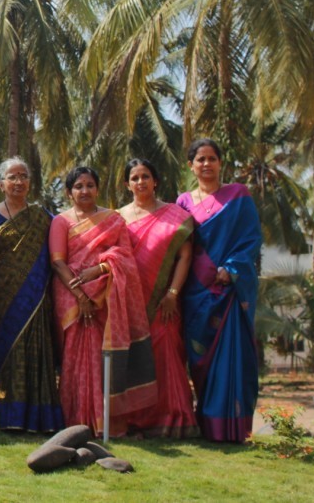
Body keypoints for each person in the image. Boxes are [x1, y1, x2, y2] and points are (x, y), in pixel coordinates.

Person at [49, 166, 156, 437]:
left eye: (90, 185)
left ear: (98, 188)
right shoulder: (61, 221)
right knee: (74, 359)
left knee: (102, 359)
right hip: (70, 296)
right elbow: (58, 262)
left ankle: (104, 423)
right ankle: (75, 422)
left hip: (105, 296)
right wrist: (80, 296)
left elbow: (124, 256)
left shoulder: (113, 219)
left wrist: (98, 270)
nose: (85, 191)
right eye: (78, 186)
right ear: (69, 192)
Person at [176, 138, 262, 443]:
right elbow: (177, 246)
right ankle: (205, 423)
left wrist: (232, 269)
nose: (206, 164)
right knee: (199, 361)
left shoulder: (238, 196)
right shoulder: (183, 202)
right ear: (191, 165)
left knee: (231, 360)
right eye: (200, 159)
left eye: (212, 158)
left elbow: (251, 239)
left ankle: (232, 429)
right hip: (195, 294)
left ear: (220, 162)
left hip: (228, 291)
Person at [0, 157, 64, 433]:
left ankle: (40, 419)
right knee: (5, 354)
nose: (18, 182)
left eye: (23, 176)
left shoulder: (44, 218)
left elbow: (59, 252)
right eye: (12, 177)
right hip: (0, 299)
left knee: (37, 354)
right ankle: (10, 418)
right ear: (1, 183)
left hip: (36, 298)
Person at [118, 158, 199, 437]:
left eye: (146, 176)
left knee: (166, 357)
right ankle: (135, 420)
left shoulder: (175, 215)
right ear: (127, 184)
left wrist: (173, 293)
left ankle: (172, 420)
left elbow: (185, 256)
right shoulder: (118, 218)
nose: (141, 182)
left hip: (165, 301)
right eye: (135, 177)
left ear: (156, 181)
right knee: (134, 358)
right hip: (129, 301)